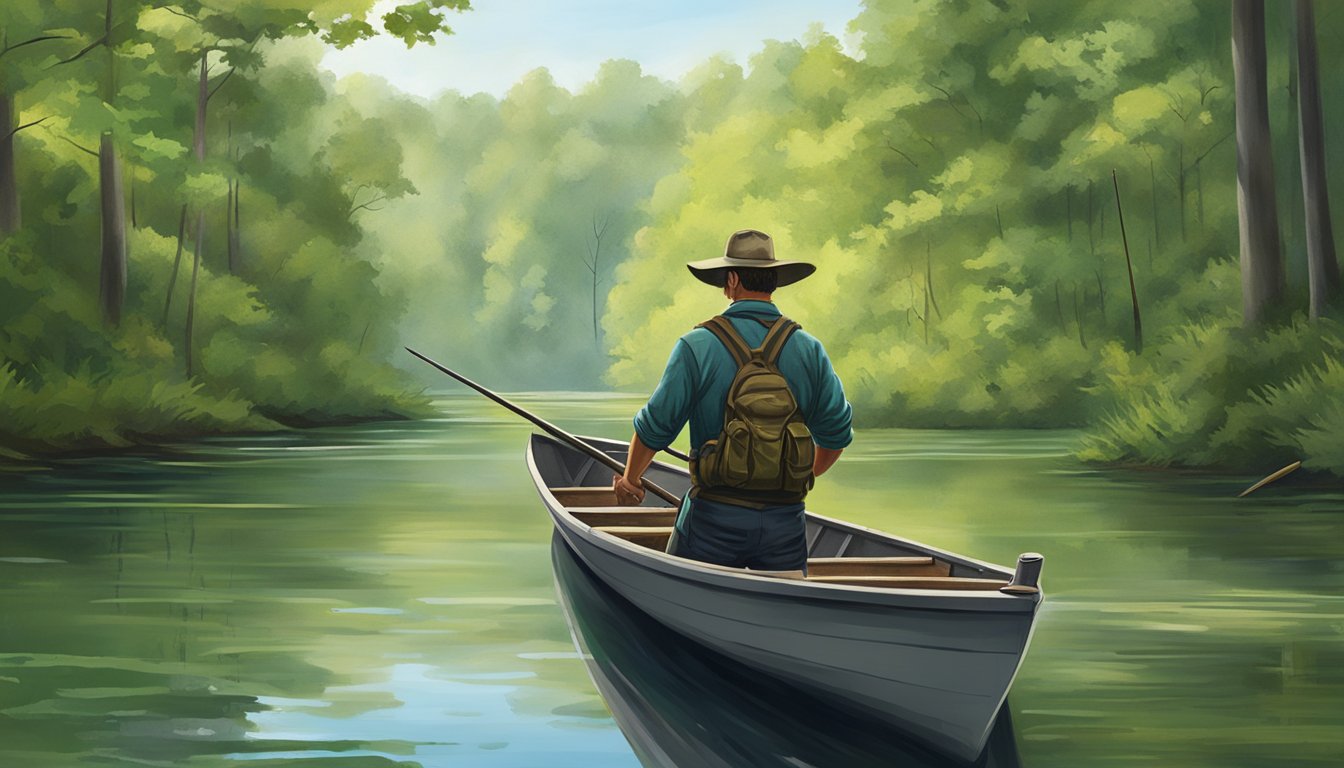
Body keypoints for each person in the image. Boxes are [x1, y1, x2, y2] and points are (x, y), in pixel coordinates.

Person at [612, 229, 852, 572]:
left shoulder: (697, 345)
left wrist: (630, 481)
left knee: (686, 596)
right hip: (785, 526)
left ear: (732, 280)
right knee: (782, 604)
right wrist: (789, 478)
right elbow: (836, 437)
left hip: (712, 522)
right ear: (774, 281)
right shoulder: (809, 348)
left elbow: (655, 429)